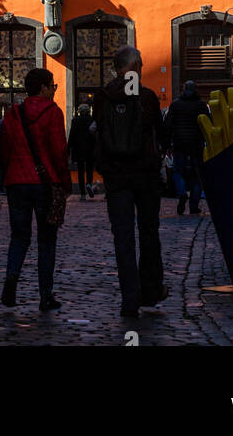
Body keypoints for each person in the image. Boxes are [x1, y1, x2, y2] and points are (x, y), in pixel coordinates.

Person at [93, 45, 168, 319]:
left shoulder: (101, 97)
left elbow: (98, 133)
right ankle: (150, 290)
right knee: (149, 233)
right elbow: (161, 134)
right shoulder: (147, 97)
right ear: (135, 66)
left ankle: (129, 299)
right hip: (145, 176)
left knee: (122, 237)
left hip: (116, 177)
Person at [0, 67, 72, 311]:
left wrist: (6, 175)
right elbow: (59, 153)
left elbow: (4, 148)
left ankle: (11, 281)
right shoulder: (53, 113)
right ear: (43, 87)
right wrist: (64, 182)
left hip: (16, 182)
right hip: (44, 183)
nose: (54, 90)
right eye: (53, 86)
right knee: (46, 240)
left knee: (19, 237)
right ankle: (45, 295)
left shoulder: (13, 113)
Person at [161, 80, 210, 216]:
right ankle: (194, 204)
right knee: (197, 175)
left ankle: (182, 193)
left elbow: (168, 125)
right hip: (196, 144)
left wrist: (166, 145)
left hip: (179, 144)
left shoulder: (175, 105)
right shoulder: (201, 105)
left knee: (178, 171)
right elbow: (208, 124)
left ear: (183, 89)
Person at [67, 102, 97, 199]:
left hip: (78, 149)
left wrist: (68, 148)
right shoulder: (92, 120)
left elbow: (71, 135)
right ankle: (88, 183)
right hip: (90, 148)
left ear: (79, 111)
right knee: (89, 169)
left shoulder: (75, 120)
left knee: (80, 170)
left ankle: (82, 193)